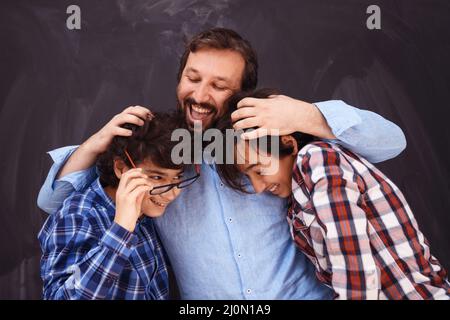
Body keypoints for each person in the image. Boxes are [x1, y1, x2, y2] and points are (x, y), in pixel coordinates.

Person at [37, 28, 407, 299]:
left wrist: (305, 113)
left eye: (219, 85)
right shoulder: (162, 150)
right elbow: (55, 204)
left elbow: (392, 142)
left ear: (242, 94)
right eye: (192, 78)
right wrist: (95, 144)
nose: (199, 95)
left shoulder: (272, 139)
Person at [217, 88, 450, 300]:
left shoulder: (316, 160)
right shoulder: (296, 202)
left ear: (288, 143)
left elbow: (355, 272)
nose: (258, 188)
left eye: (258, 170)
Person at [38, 112, 198, 299]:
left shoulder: (146, 214)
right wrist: (120, 230)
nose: (172, 193)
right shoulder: (79, 216)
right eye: (157, 177)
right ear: (121, 168)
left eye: (177, 178)